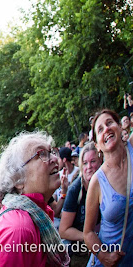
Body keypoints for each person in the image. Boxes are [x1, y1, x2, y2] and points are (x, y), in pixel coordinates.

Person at [0, 131, 70, 266]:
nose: (54, 158)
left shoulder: (33, 215)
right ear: (17, 180)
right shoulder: (18, 230)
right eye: (41, 154)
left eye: (52, 151)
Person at [84, 109, 133, 266]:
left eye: (110, 123)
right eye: (100, 129)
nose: (106, 129)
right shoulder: (97, 181)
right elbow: (88, 232)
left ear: (120, 127)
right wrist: (103, 255)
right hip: (111, 262)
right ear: (97, 145)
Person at [59, 142, 102, 266]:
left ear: (100, 161)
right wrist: (90, 237)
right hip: (80, 251)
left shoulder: (107, 183)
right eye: (85, 163)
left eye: (93, 161)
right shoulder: (75, 190)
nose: (89, 166)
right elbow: (63, 230)